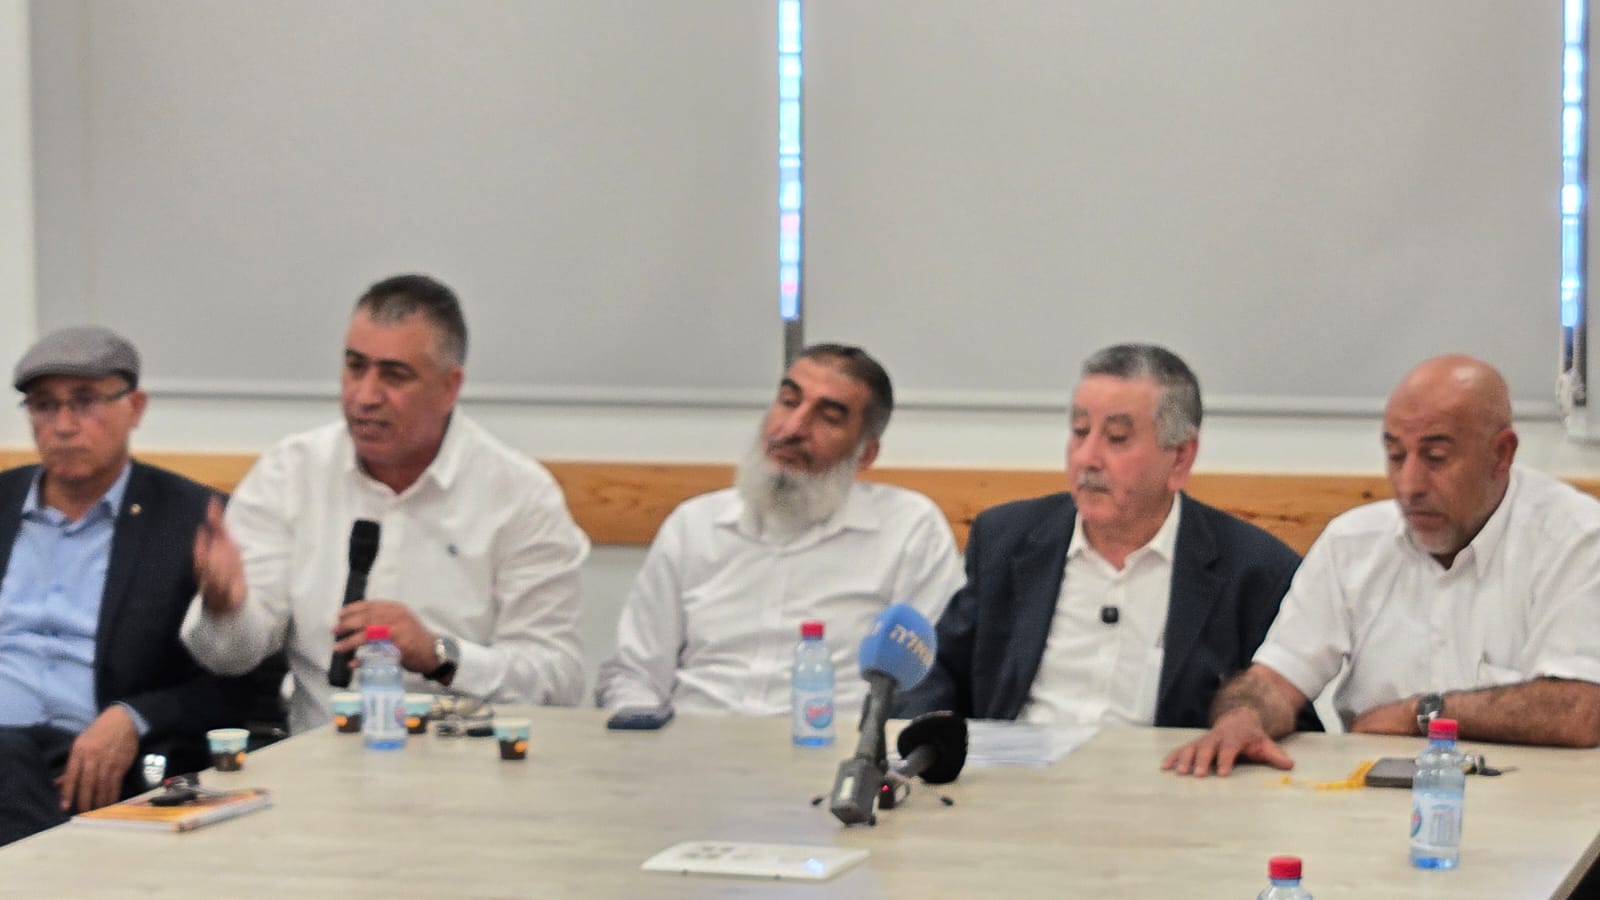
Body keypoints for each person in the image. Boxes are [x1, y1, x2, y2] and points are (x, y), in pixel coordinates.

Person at [182, 274, 590, 733]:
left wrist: (440, 656)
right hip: (318, 759)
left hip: (466, 762)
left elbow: (558, 681)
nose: (365, 396)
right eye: (355, 367)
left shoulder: (520, 496)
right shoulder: (291, 473)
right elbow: (226, 658)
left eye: (394, 376)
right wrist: (224, 607)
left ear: (449, 387)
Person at [1164, 355, 1600, 777]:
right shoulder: (1352, 543)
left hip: (1531, 801)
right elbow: (1276, 679)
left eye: (1436, 457)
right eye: (1395, 455)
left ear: (1501, 454)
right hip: (1374, 801)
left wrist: (1421, 714)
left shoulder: (1575, 538)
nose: (1409, 485)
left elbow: (1579, 709)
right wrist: (1243, 719)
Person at [897, 344, 1317, 732]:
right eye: (1080, 431)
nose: (1087, 458)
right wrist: (929, 743)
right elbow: (937, 669)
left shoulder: (1254, 570)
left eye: (1117, 438)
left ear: (1180, 457)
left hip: (1165, 783)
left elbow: (1286, 713)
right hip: (1016, 775)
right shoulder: (1006, 539)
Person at [594, 344, 963, 715]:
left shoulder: (909, 531)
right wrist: (641, 738)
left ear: (865, 454)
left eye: (828, 418)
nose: (793, 428)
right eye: (788, 402)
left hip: (832, 745)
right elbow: (635, 674)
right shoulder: (694, 525)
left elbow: (926, 687)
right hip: (692, 738)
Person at [0, 327, 247, 845]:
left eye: (84, 402)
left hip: (88, 763)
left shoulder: (190, 523)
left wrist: (134, 717)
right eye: (44, 406)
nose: (63, 426)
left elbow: (238, 689)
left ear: (135, 407)